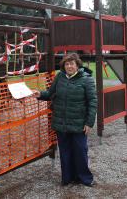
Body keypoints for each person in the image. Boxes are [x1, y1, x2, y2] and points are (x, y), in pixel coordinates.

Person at [34, 53, 97, 187]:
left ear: (77, 65)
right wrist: (39, 94)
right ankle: (67, 178)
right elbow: (50, 94)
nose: (69, 66)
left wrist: (89, 122)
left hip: (78, 123)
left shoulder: (87, 79)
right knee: (65, 152)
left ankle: (84, 178)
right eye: (67, 64)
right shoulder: (60, 77)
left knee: (80, 151)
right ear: (63, 66)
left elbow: (92, 101)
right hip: (61, 123)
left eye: (72, 63)